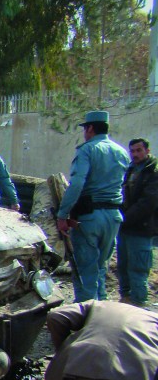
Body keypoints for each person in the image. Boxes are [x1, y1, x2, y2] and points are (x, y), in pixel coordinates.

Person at [56, 110, 130, 302]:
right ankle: (102, 312)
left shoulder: (87, 150)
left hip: (89, 217)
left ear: (90, 128)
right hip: (113, 215)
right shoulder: (121, 152)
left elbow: (78, 183)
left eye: (85, 129)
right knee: (100, 268)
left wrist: (62, 214)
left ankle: (86, 319)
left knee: (85, 272)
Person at [117, 138, 158, 306]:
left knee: (138, 272)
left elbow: (148, 203)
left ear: (147, 151)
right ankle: (125, 304)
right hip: (126, 229)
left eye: (139, 150)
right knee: (123, 269)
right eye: (132, 151)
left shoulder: (153, 172)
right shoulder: (131, 170)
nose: (135, 154)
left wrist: (125, 218)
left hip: (142, 229)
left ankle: (139, 310)